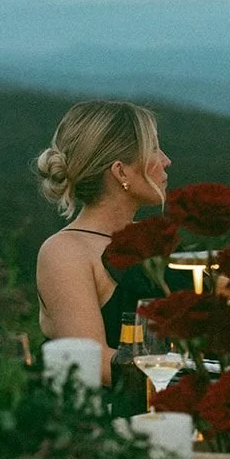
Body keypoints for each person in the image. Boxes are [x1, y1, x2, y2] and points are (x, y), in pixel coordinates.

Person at [35, 100, 179, 385]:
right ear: (120, 172)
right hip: (112, 421)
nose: (165, 160)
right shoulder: (65, 252)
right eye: (153, 149)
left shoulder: (152, 239)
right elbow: (94, 362)